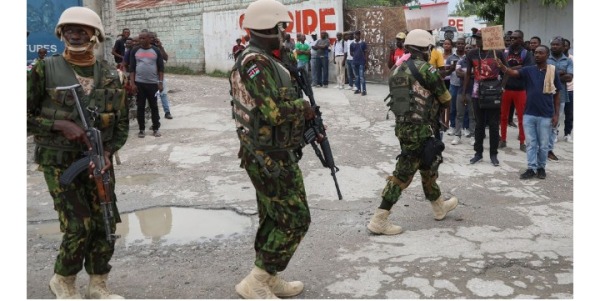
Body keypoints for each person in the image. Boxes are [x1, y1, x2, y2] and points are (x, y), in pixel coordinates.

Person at [27, 6, 128, 299]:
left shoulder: (110, 74)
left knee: (105, 220)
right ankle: (64, 280)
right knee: (78, 224)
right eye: (69, 29)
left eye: (82, 29)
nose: (75, 34)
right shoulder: (44, 69)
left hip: (98, 163)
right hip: (60, 164)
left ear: (94, 35)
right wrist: (58, 124)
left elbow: (120, 123)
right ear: (61, 34)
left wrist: (108, 152)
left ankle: (98, 285)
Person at [228, 0, 316, 298]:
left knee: (274, 217)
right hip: (267, 156)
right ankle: (256, 280)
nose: (285, 32)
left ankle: (269, 276)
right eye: (282, 27)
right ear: (269, 28)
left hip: (276, 151)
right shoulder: (255, 62)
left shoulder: (270, 58)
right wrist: (303, 108)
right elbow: (274, 112)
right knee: (296, 218)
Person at [367, 29, 458, 236]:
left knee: (428, 165)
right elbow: (446, 99)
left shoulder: (396, 70)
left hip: (403, 126)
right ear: (426, 48)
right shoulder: (427, 70)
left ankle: (438, 207)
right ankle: (379, 218)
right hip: (421, 129)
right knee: (403, 173)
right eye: (429, 49)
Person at [497, 45, 561, 179]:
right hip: (529, 114)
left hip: (546, 114)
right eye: (536, 53)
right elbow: (513, 73)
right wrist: (502, 67)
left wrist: (556, 114)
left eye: (540, 53)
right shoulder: (528, 70)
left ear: (547, 55)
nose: (537, 55)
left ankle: (541, 167)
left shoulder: (552, 71)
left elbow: (557, 94)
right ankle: (531, 168)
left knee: (543, 145)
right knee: (531, 143)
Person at [462, 30, 506, 166]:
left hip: (493, 91)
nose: (478, 41)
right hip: (477, 93)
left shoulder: (497, 53)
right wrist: (464, 93)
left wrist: (502, 87)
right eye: (476, 38)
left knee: (493, 124)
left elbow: (506, 71)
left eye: (480, 38)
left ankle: (493, 154)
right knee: (479, 124)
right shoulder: (472, 54)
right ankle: (478, 153)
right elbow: (468, 74)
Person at [499, 30, 533, 152]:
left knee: (522, 118)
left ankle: (522, 142)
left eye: (516, 38)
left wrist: (508, 69)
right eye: (511, 38)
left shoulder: (526, 53)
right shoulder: (505, 52)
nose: (513, 40)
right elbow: (500, 68)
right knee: (503, 116)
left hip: (520, 89)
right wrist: (514, 68)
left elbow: (527, 69)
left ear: (521, 39)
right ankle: (503, 140)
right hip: (506, 88)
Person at [129, 31, 165, 137]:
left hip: (153, 84)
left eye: (143, 38)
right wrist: (132, 83)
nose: (141, 40)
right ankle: (141, 129)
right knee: (140, 107)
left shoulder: (156, 50)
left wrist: (160, 82)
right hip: (139, 83)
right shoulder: (135, 50)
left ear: (149, 39)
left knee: (154, 106)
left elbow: (161, 68)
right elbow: (132, 68)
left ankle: (156, 128)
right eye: (140, 38)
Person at [546, 36, 573, 161]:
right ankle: (542, 149)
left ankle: (549, 150)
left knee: (554, 123)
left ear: (563, 47)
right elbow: (542, 75)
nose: (554, 47)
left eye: (557, 45)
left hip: (561, 96)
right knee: (543, 123)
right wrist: (560, 73)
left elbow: (569, 78)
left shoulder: (568, 61)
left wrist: (552, 74)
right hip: (545, 94)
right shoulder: (546, 58)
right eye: (553, 44)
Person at [149, 31, 173, 119]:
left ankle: (167, 112)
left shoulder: (158, 48)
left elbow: (166, 58)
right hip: (148, 76)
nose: (152, 39)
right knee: (151, 96)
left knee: (163, 93)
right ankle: (153, 115)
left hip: (159, 74)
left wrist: (160, 46)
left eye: (153, 38)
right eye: (150, 37)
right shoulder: (143, 48)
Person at [562, 38, 573, 142]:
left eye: (566, 45)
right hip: (559, 90)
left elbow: (570, 76)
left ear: (569, 47)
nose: (563, 47)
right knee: (558, 112)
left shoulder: (572, 59)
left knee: (569, 113)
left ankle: (568, 133)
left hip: (571, 90)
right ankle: (555, 133)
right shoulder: (553, 60)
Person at [350, 30, 368, 95]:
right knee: (357, 77)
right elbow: (351, 53)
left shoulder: (363, 43)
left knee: (362, 77)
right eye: (355, 34)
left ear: (360, 35)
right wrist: (355, 56)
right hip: (355, 62)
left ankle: (364, 90)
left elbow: (366, 53)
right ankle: (358, 89)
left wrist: (366, 62)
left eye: (357, 34)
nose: (356, 36)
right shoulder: (352, 44)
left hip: (361, 62)